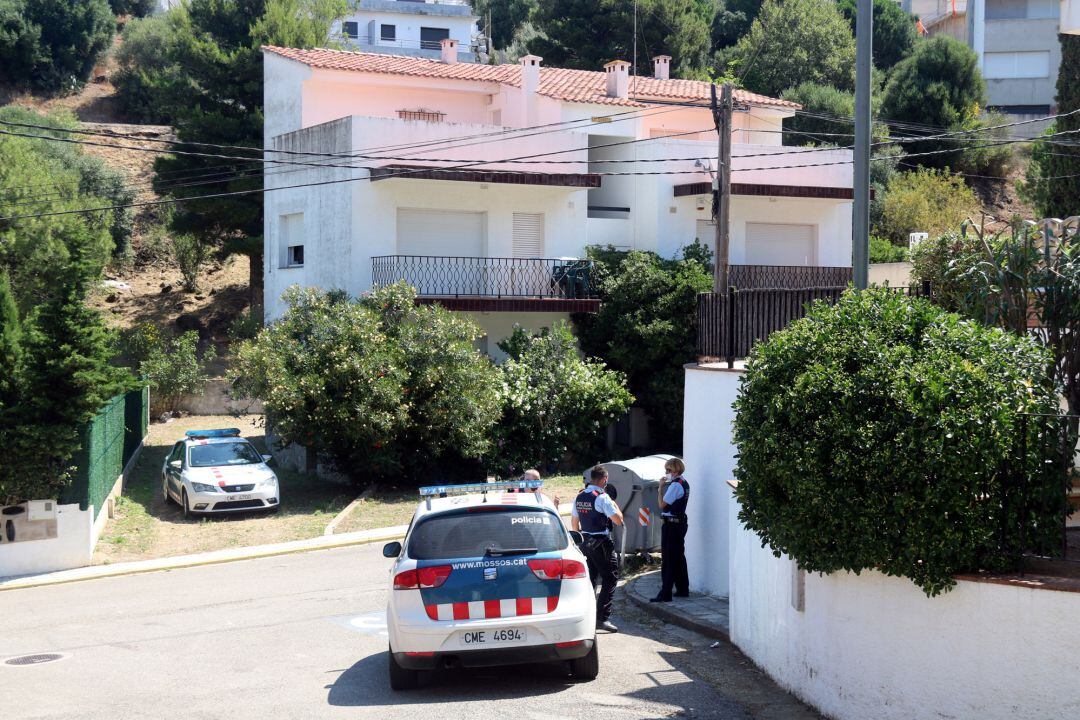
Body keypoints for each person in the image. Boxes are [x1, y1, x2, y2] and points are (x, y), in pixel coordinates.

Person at [572, 465, 624, 632]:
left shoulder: (579, 497)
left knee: (591, 580)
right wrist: (614, 504)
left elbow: (574, 523)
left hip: (585, 541)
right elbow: (618, 520)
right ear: (604, 480)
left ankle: (587, 615)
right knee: (610, 578)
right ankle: (602, 618)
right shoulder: (603, 498)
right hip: (601, 543)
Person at [651, 457, 690, 603]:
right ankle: (682, 589)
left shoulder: (675, 485)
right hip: (679, 523)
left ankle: (665, 593)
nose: (667, 473)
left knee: (668, 559)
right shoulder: (683, 483)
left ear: (676, 470)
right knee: (679, 557)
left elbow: (662, 504)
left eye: (669, 470)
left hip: (672, 525)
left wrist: (660, 488)